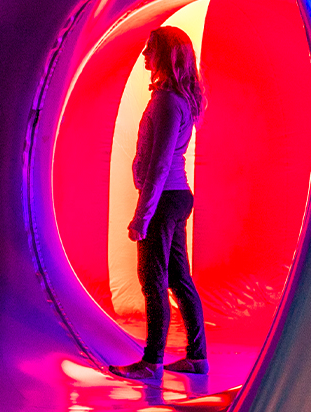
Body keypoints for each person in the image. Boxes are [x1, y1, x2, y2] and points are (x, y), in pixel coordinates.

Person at [108, 26, 210, 380]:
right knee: (179, 278)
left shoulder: (167, 102)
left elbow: (160, 163)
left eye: (149, 48)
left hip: (165, 199)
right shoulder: (172, 98)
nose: (143, 55)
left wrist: (142, 215)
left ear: (165, 55)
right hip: (173, 198)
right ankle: (197, 358)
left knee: (152, 279)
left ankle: (151, 363)